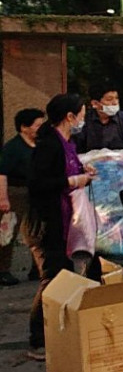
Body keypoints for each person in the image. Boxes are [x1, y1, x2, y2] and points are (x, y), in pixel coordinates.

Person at [27, 94, 95, 361]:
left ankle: (56, 333)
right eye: (81, 113)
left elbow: (68, 170)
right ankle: (37, 338)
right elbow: (40, 184)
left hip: (66, 221)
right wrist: (74, 180)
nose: (82, 119)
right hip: (48, 221)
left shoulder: (67, 142)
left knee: (64, 274)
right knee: (53, 277)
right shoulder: (49, 145)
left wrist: (83, 171)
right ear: (69, 116)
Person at [0, 109, 45, 286]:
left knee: (37, 231)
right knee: (8, 232)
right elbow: (2, 173)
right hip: (16, 192)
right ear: (24, 127)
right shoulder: (13, 148)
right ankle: (3, 269)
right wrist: (3, 198)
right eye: (37, 125)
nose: (40, 129)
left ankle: (37, 267)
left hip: (36, 192)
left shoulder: (41, 144)